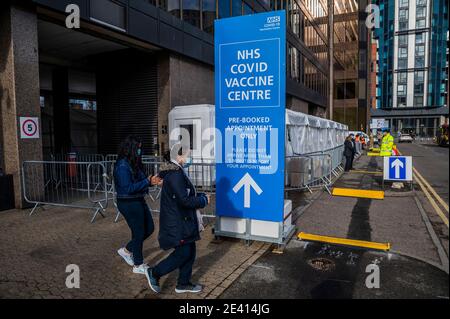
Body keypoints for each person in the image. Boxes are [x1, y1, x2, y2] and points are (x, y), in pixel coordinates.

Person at [145, 146, 209, 294]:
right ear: (179, 156)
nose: (190, 158)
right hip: (177, 221)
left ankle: (183, 283)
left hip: (183, 220)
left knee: (190, 251)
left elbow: (184, 193)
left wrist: (200, 196)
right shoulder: (175, 174)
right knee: (183, 253)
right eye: (188, 155)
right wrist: (203, 200)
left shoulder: (176, 170)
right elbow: (184, 200)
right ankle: (155, 272)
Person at [114, 136, 161, 274]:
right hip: (129, 203)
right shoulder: (122, 165)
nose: (140, 150)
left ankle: (127, 250)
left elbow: (143, 179)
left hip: (138, 200)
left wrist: (152, 180)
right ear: (131, 149)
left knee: (149, 228)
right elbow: (127, 188)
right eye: (138, 148)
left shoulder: (133, 163)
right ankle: (138, 264)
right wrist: (147, 182)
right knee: (138, 232)